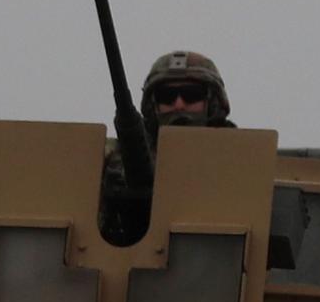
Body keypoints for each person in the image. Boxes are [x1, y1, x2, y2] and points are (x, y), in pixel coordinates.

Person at [100, 50, 234, 244]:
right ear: (153, 106)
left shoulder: (238, 160)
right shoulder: (111, 159)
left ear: (212, 102)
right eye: (167, 96)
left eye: (191, 95)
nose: (179, 105)